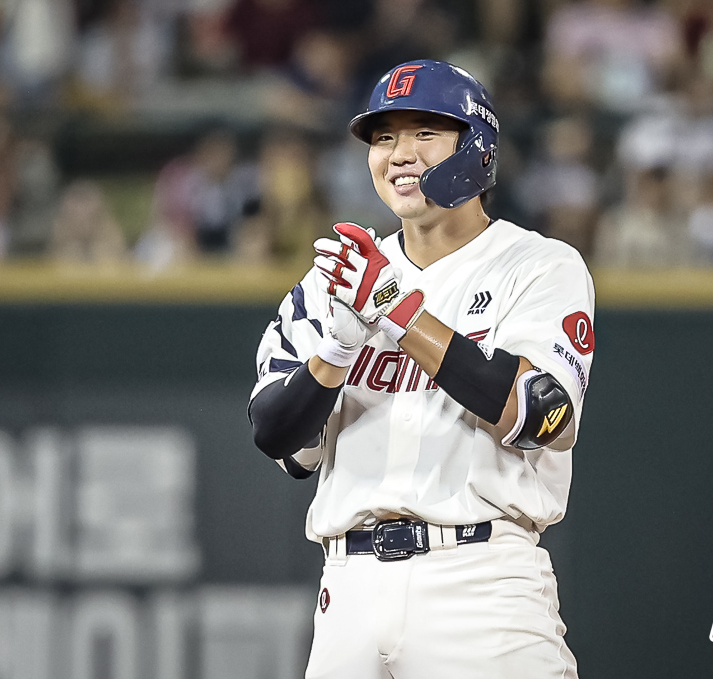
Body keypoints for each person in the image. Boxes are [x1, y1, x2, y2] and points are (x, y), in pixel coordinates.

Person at [247, 60, 595, 678]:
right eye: (384, 137)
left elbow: (545, 415)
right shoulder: (332, 283)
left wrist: (399, 311)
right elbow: (277, 438)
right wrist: (335, 352)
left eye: (424, 132)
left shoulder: (538, 266)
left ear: (477, 146)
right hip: (348, 587)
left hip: (480, 580)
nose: (399, 153)